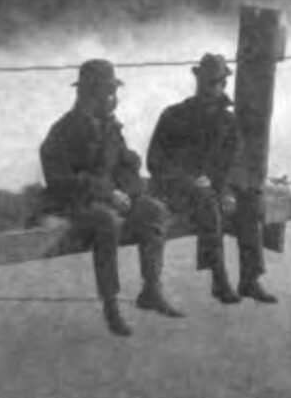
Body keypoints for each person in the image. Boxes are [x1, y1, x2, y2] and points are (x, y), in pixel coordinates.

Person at [40, 59, 184, 337]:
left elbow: (127, 167)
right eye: (106, 93)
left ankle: (151, 289)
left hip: (111, 198)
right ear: (87, 95)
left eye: (113, 92)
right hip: (73, 203)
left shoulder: (111, 128)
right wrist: (108, 194)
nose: (113, 99)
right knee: (107, 223)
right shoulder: (63, 131)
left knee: (153, 210)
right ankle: (111, 304)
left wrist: (129, 193)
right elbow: (59, 181)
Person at [147, 53, 278, 305]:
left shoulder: (228, 122)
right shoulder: (174, 115)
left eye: (217, 82)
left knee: (250, 200)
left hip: (216, 187)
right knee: (208, 204)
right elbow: (155, 161)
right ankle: (219, 280)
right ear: (197, 81)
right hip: (179, 189)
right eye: (207, 81)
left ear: (224, 84)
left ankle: (250, 280)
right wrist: (189, 180)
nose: (212, 87)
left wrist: (227, 190)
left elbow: (236, 161)